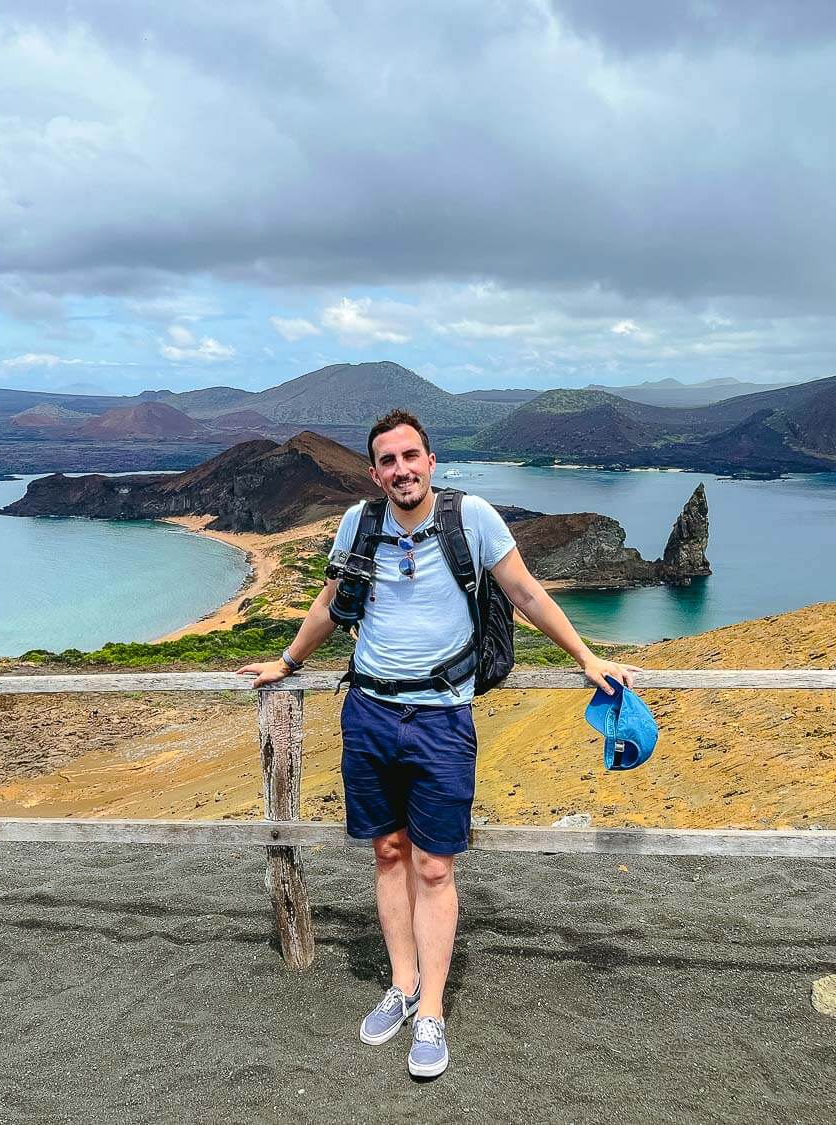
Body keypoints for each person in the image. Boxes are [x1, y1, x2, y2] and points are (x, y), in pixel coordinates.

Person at [239, 408, 638, 1079]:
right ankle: (400, 984)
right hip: (367, 711)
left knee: (434, 867)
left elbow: (528, 594)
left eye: (410, 456)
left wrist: (585, 656)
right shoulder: (358, 523)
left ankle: (432, 1011)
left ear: (431, 460)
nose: (401, 469)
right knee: (388, 853)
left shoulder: (471, 518)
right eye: (388, 460)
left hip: (441, 719)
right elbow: (330, 603)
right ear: (375, 472)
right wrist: (287, 661)